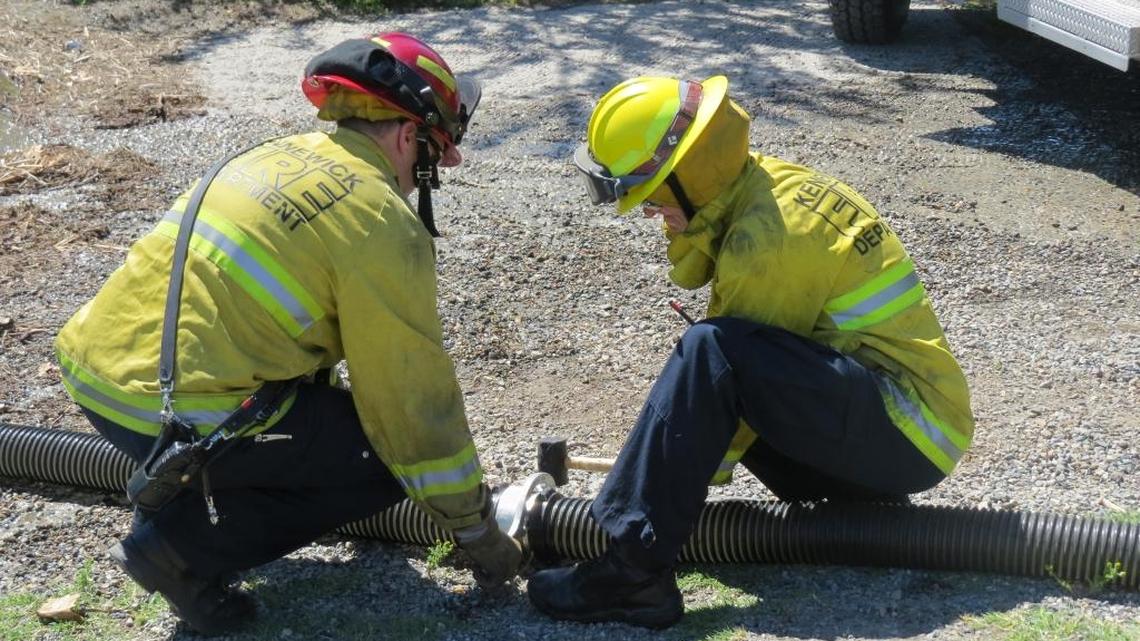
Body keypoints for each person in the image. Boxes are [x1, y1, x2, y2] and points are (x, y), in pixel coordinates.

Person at [54, 32, 520, 635]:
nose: (450, 162)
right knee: (383, 457)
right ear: (409, 136)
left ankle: (192, 496)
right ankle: (177, 550)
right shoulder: (380, 219)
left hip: (97, 377)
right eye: (441, 145)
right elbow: (409, 406)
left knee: (311, 429)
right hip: (173, 413)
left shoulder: (270, 156)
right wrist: (479, 534)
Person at [527, 75, 974, 628]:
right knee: (715, 354)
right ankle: (866, 518)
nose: (645, 211)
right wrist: (664, 468)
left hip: (906, 436)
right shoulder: (758, 186)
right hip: (883, 430)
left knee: (711, 351)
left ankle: (632, 576)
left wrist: (653, 498)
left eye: (652, 190)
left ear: (689, 173)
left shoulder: (769, 237)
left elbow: (721, 380)